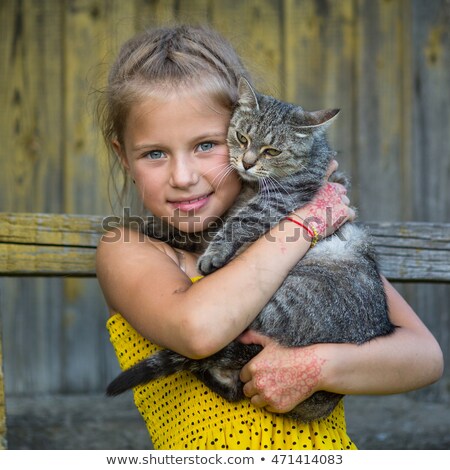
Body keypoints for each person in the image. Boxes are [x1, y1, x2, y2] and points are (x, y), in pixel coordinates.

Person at [95, 24, 443, 450]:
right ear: (123, 158)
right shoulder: (129, 251)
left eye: (206, 144)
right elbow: (199, 331)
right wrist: (302, 225)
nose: (183, 177)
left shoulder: (326, 254)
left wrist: (317, 367)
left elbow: (425, 357)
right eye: (155, 153)